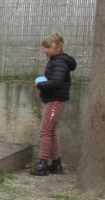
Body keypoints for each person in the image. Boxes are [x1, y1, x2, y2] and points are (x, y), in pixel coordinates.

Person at [31, 34, 77, 176]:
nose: (45, 50)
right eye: (44, 47)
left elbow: (56, 82)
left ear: (58, 47)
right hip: (55, 100)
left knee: (45, 131)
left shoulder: (59, 62)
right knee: (51, 131)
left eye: (48, 47)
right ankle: (56, 164)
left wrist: (40, 85)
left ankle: (43, 163)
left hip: (55, 100)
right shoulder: (57, 61)